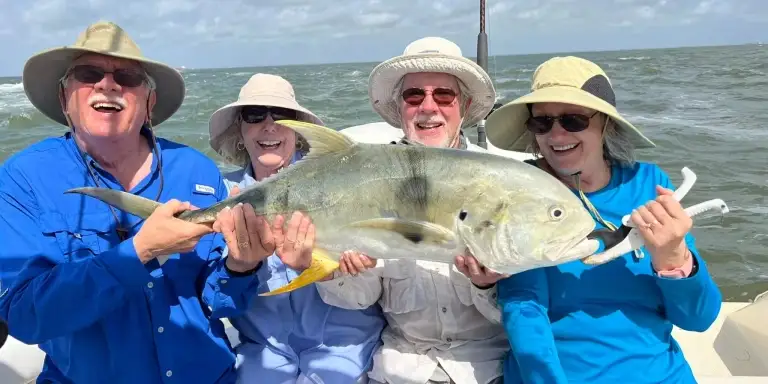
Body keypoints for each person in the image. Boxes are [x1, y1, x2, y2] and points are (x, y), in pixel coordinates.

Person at [0, 21, 270, 383]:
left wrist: (242, 266)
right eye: (88, 73)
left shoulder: (196, 170)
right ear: (65, 98)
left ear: (149, 103)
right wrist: (140, 251)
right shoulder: (23, 178)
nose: (107, 84)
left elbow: (220, 302)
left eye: (127, 77)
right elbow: (25, 316)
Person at [276, 37, 508, 384]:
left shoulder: (499, 184)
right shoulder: (368, 180)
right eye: (414, 96)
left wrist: (487, 286)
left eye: (444, 95)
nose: (428, 107)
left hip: (486, 370)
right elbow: (360, 299)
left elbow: (520, 312)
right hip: (400, 370)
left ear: (465, 105)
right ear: (400, 107)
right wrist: (333, 272)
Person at [484, 56, 723, 383]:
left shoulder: (648, 184)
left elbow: (698, 319)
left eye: (573, 120)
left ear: (606, 123)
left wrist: (674, 258)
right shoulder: (521, 191)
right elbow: (525, 310)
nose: (556, 135)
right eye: (542, 122)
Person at [208, 73, 386, 384]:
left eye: (282, 115)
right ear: (240, 128)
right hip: (264, 352)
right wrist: (241, 265)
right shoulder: (223, 195)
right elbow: (216, 299)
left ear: (299, 129)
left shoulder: (342, 183)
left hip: (345, 348)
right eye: (255, 115)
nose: (269, 125)